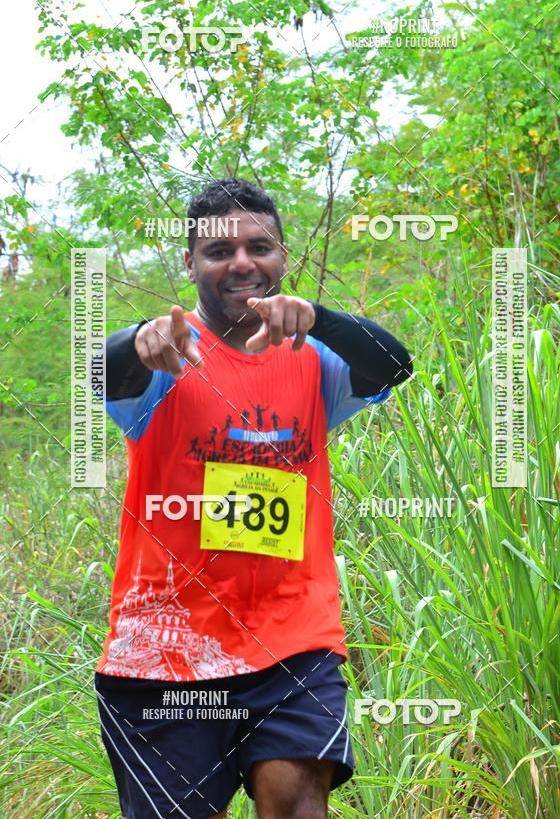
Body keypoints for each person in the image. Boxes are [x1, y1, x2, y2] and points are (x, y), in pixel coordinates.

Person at [95, 178, 413, 819]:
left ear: (282, 257)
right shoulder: (165, 358)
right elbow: (105, 370)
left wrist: (320, 316)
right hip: (166, 655)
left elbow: (392, 364)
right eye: (219, 251)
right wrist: (138, 339)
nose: (242, 262)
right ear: (190, 264)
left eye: (258, 246)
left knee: (298, 806)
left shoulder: (314, 358)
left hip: (293, 642)